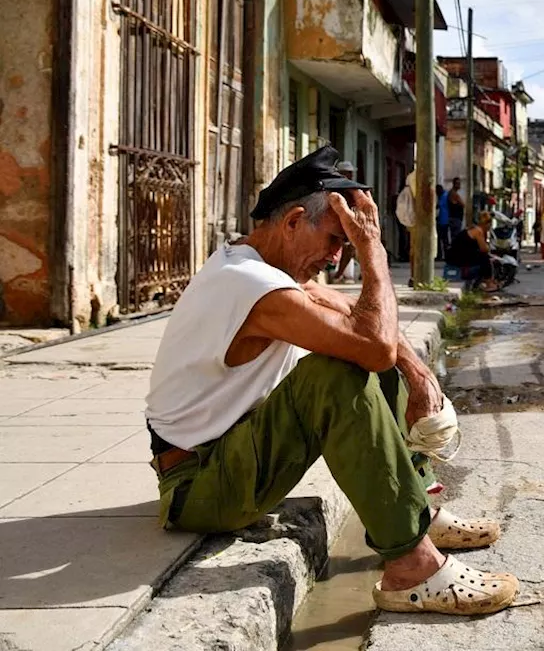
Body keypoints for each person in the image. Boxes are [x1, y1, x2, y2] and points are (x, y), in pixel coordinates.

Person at [143, 145, 517, 616]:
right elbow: (372, 343)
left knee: (371, 356)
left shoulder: (260, 264)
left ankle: (418, 509)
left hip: (228, 460)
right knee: (337, 372)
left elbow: (352, 316)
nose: (339, 257)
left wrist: (417, 372)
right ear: (294, 221)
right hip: (199, 487)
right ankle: (411, 567)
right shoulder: (250, 284)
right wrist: (374, 251)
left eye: (349, 244)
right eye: (337, 240)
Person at [445, 211, 500, 293]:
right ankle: (489, 283)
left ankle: (484, 282)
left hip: (457, 255)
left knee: (484, 257)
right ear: (487, 224)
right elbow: (484, 249)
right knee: (485, 259)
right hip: (458, 257)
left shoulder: (473, 228)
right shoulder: (478, 231)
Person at [332, 161, 359, 282]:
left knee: (350, 248)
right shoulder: (336, 187)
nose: (350, 175)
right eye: (347, 173)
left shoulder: (352, 187)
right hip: (338, 220)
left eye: (350, 173)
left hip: (349, 220)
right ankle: (338, 273)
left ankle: (340, 273)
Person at [447, 178, 465, 244]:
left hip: (454, 218)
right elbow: (463, 204)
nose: (459, 185)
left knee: (454, 237)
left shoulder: (452, 193)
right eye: (458, 183)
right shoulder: (454, 194)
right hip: (455, 218)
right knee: (456, 237)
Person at [435, 183, 450, 259]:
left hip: (444, 220)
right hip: (442, 220)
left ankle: (443, 255)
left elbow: (439, 206)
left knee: (443, 239)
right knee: (442, 239)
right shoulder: (442, 196)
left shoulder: (444, 196)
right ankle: (441, 255)